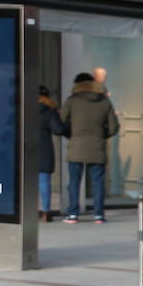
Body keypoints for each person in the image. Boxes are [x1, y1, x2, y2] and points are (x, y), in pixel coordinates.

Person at [60, 72, 119, 223]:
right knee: (98, 182)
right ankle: (98, 215)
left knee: (74, 182)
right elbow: (114, 127)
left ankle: (73, 214)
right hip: (97, 147)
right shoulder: (105, 101)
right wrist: (100, 135)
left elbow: (61, 122)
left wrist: (72, 135)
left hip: (76, 147)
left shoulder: (72, 101)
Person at [35, 85, 66, 222]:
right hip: (44, 149)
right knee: (44, 181)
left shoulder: (24, 108)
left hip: (25, 148)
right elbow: (58, 130)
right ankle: (46, 212)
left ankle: (26, 210)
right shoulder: (49, 111)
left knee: (25, 183)